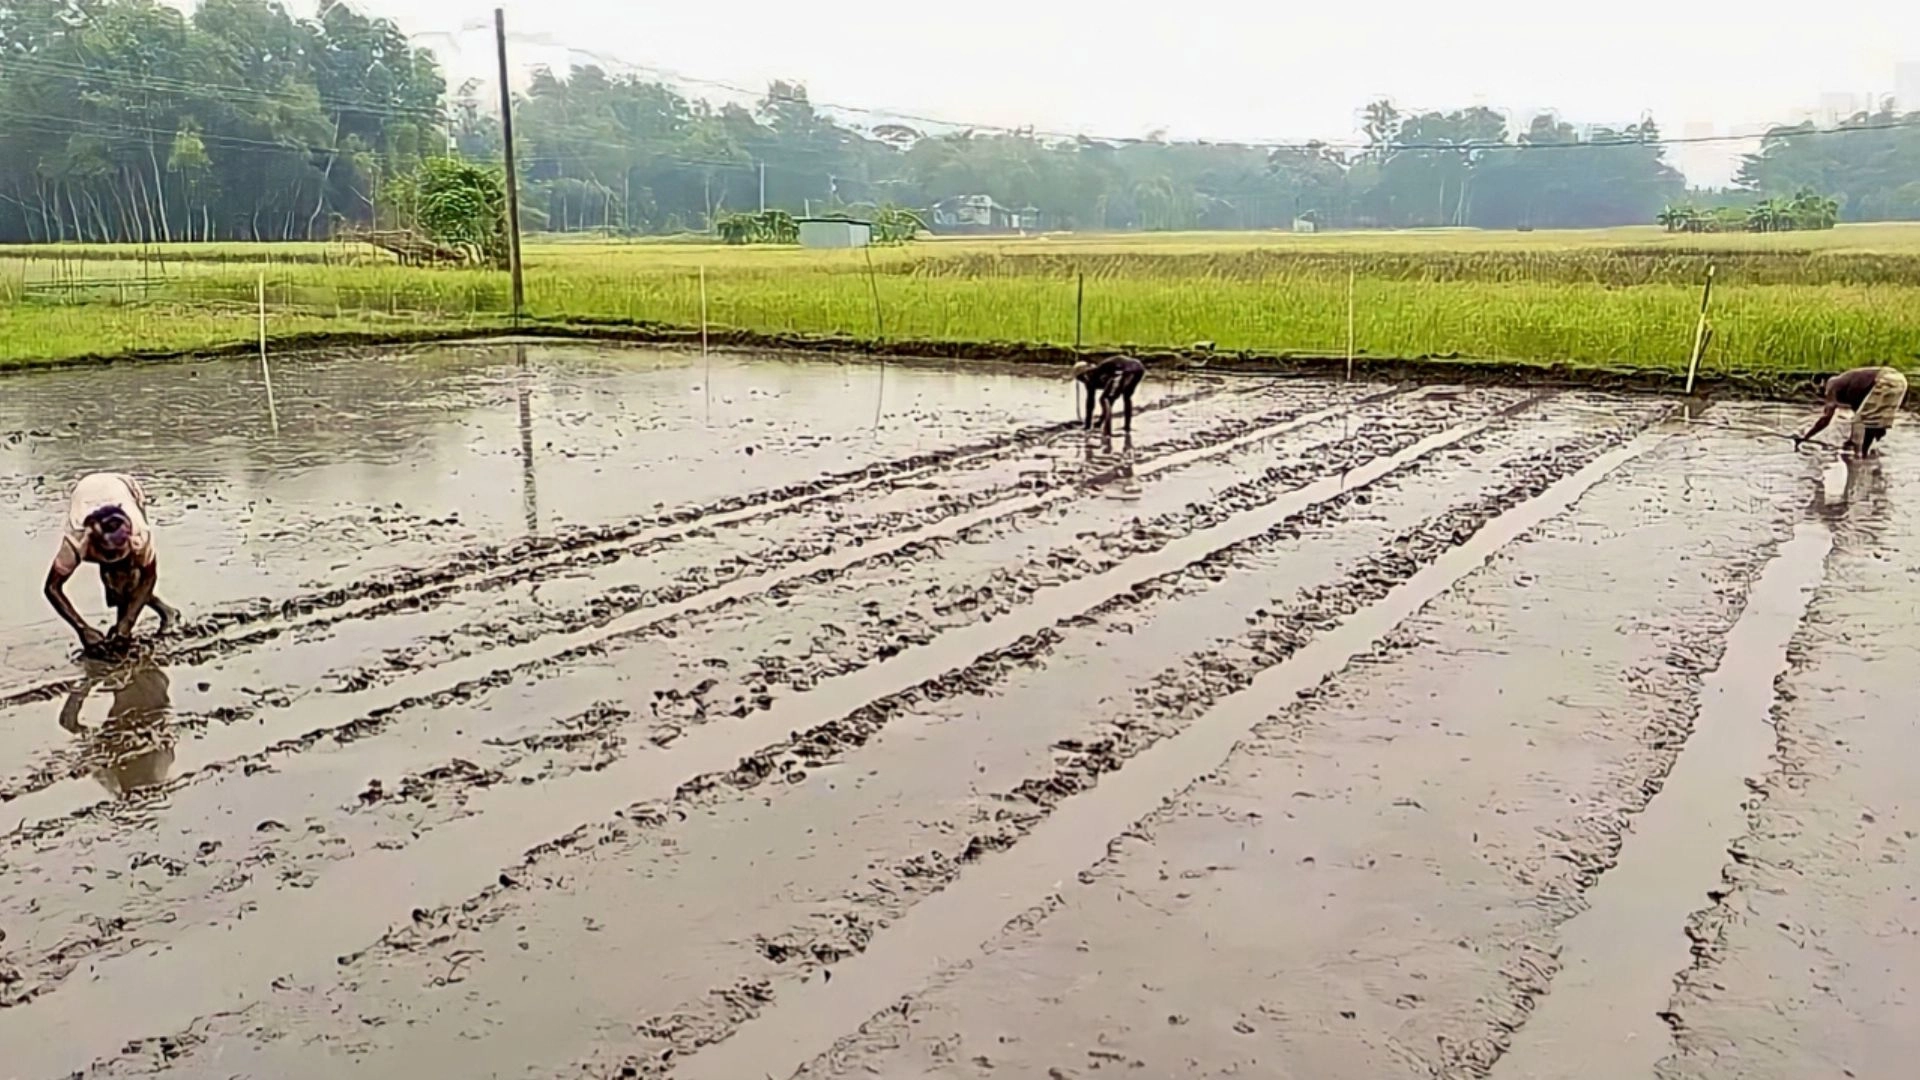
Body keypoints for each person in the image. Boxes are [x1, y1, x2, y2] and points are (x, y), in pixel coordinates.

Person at [44, 472, 178, 655]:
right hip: (87, 490)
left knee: (129, 578)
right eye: (109, 553)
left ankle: (128, 629)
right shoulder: (77, 540)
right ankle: (157, 613)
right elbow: (52, 587)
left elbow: (149, 577)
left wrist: (127, 623)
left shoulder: (139, 534)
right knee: (114, 583)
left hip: (124, 487)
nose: (115, 556)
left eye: (119, 551)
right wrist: (82, 629)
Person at [1796, 365, 1909, 456]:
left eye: (1820, 390)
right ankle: (1866, 453)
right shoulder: (1851, 387)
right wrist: (1851, 440)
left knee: (1859, 423)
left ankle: (1860, 456)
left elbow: (1826, 418)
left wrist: (1805, 437)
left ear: (1822, 382)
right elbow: (1864, 414)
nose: (1822, 393)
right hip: (1900, 380)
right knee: (1868, 421)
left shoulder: (1832, 383)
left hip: (1885, 380)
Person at [1071, 355, 1147, 435]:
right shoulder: (1091, 379)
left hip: (1124, 369)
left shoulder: (1097, 372)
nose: (1083, 381)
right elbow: (1090, 402)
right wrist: (1088, 424)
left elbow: (1108, 398)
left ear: (1085, 374)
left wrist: (1092, 425)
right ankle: (1126, 427)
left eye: (1081, 378)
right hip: (1139, 368)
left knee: (1105, 399)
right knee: (1126, 397)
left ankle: (1108, 432)